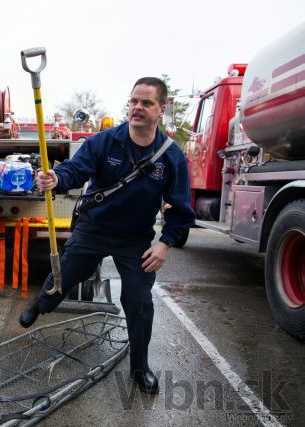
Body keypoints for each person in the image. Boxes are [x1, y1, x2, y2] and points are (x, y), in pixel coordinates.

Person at [19, 77, 195, 393]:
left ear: (161, 108)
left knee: (139, 300)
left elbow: (181, 209)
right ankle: (41, 304)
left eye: (146, 103)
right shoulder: (104, 142)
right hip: (95, 227)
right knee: (67, 273)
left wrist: (165, 244)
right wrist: (56, 178)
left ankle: (140, 368)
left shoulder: (171, 156)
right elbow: (75, 171)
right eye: (134, 101)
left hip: (135, 238)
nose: (137, 108)